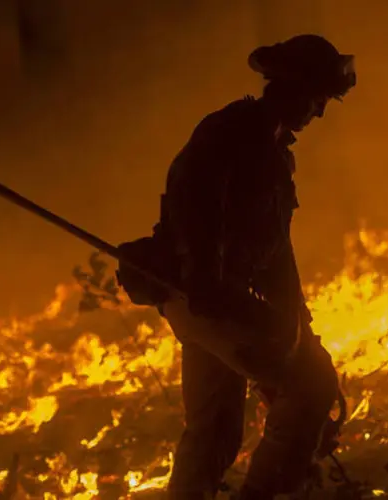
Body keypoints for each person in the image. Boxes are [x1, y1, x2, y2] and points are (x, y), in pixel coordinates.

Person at [144, 34, 356, 499]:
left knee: (215, 432)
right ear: (293, 88)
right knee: (312, 385)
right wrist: (208, 285)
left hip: (212, 301)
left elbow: (276, 254)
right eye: (318, 98)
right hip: (198, 297)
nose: (319, 112)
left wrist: (299, 325)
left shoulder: (275, 152)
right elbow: (191, 205)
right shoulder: (229, 134)